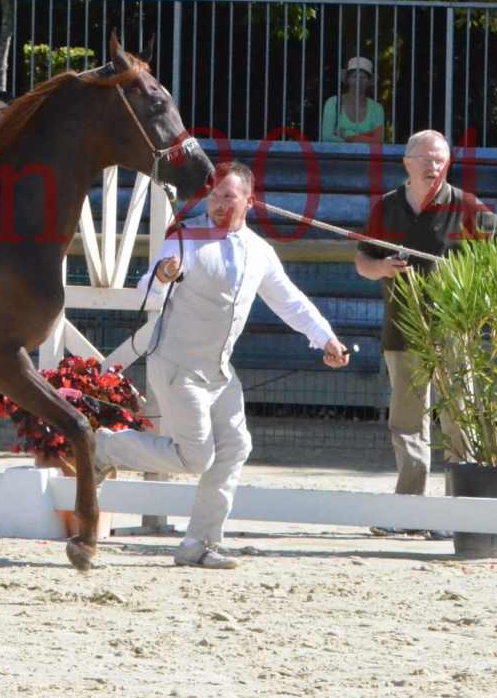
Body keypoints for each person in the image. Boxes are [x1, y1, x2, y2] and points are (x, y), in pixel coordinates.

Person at [93, 161, 351, 569]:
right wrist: (162, 274)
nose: (217, 203)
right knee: (195, 457)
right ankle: (106, 446)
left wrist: (326, 338)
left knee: (235, 448)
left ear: (249, 201)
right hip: (178, 365)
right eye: (213, 195)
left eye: (228, 197)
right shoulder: (186, 237)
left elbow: (290, 301)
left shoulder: (259, 251)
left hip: (218, 371)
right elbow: (147, 291)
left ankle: (200, 543)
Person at [354, 129, 497, 536]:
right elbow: (363, 258)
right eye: (426, 158)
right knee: (407, 422)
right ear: (407, 162)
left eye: (441, 159)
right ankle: (410, 509)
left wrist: (490, 276)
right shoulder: (387, 207)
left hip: (450, 328)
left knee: (457, 418)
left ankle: (455, 512)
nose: (434, 166)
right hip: (401, 326)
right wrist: (381, 269)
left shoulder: (462, 204)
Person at [320, 56, 385, 143]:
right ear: (347, 80)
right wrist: (364, 139)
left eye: (363, 77)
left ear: (369, 81)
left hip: (366, 156)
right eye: (354, 76)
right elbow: (327, 137)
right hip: (336, 156)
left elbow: (378, 141)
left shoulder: (377, 108)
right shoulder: (333, 102)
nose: (358, 81)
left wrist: (346, 134)